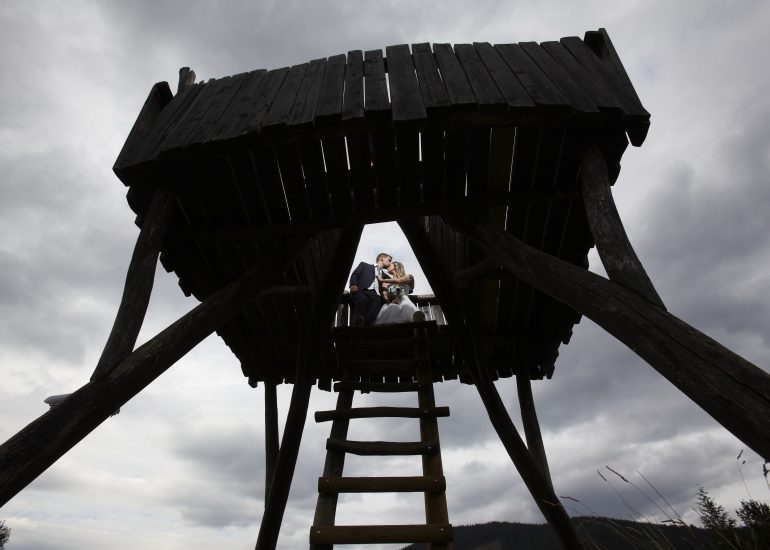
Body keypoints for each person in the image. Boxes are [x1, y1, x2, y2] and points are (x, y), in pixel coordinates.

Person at [349, 253, 391, 326]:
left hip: (376, 295)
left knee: (373, 313)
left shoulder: (385, 276)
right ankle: (356, 330)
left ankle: (366, 332)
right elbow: (355, 275)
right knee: (362, 301)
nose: (390, 262)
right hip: (362, 291)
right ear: (382, 258)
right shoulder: (364, 265)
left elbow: (396, 284)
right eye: (389, 260)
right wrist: (353, 285)